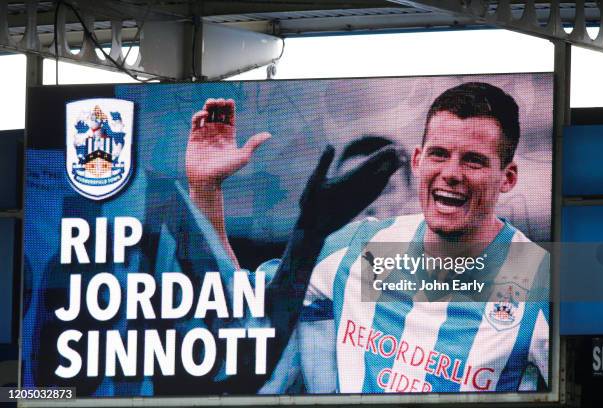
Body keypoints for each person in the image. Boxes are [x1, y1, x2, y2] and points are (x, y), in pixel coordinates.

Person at [185, 83, 549, 393]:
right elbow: (240, 305)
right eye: (439, 154)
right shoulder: (357, 247)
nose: (451, 173)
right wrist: (205, 187)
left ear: (508, 177)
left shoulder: (545, 284)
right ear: (419, 160)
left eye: (473, 161)